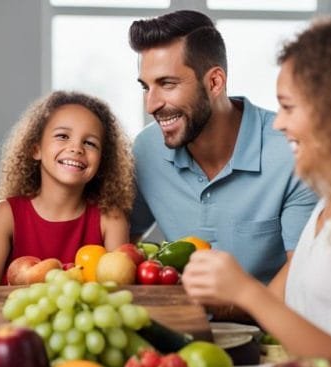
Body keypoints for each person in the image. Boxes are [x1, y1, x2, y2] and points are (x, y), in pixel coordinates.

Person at [182, 16, 331, 367]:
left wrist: (243, 291)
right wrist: (219, 291)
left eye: (288, 107)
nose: (279, 123)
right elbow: (277, 301)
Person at [128, 10, 318, 284]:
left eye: (167, 84)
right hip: (183, 321)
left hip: (267, 324)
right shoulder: (147, 150)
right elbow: (120, 247)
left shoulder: (290, 152)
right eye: (146, 87)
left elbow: (302, 276)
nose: (151, 104)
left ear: (214, 82)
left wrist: (230, 308)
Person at [0, 91, 135, 285]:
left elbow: (121, 288)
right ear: (36, 149)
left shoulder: (111, 218)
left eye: (90, 143)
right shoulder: (6, 213)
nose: (76, 148)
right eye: (62, 136)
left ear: (102, 161)